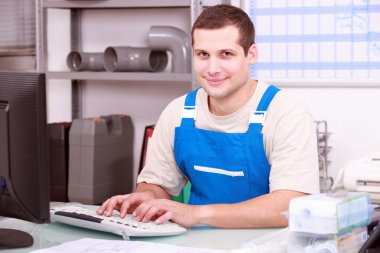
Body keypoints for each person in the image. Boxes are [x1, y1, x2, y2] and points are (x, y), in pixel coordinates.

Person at [97, 4, 319, 228]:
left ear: (251, 54)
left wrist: (198, 214)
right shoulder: (179, 111)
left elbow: (291, 205)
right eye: (203, 54)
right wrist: (148, 196)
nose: (212, 68)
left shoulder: (286, 113)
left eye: (226, 54)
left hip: (263, 244)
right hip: (196, 241)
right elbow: (157, 185)